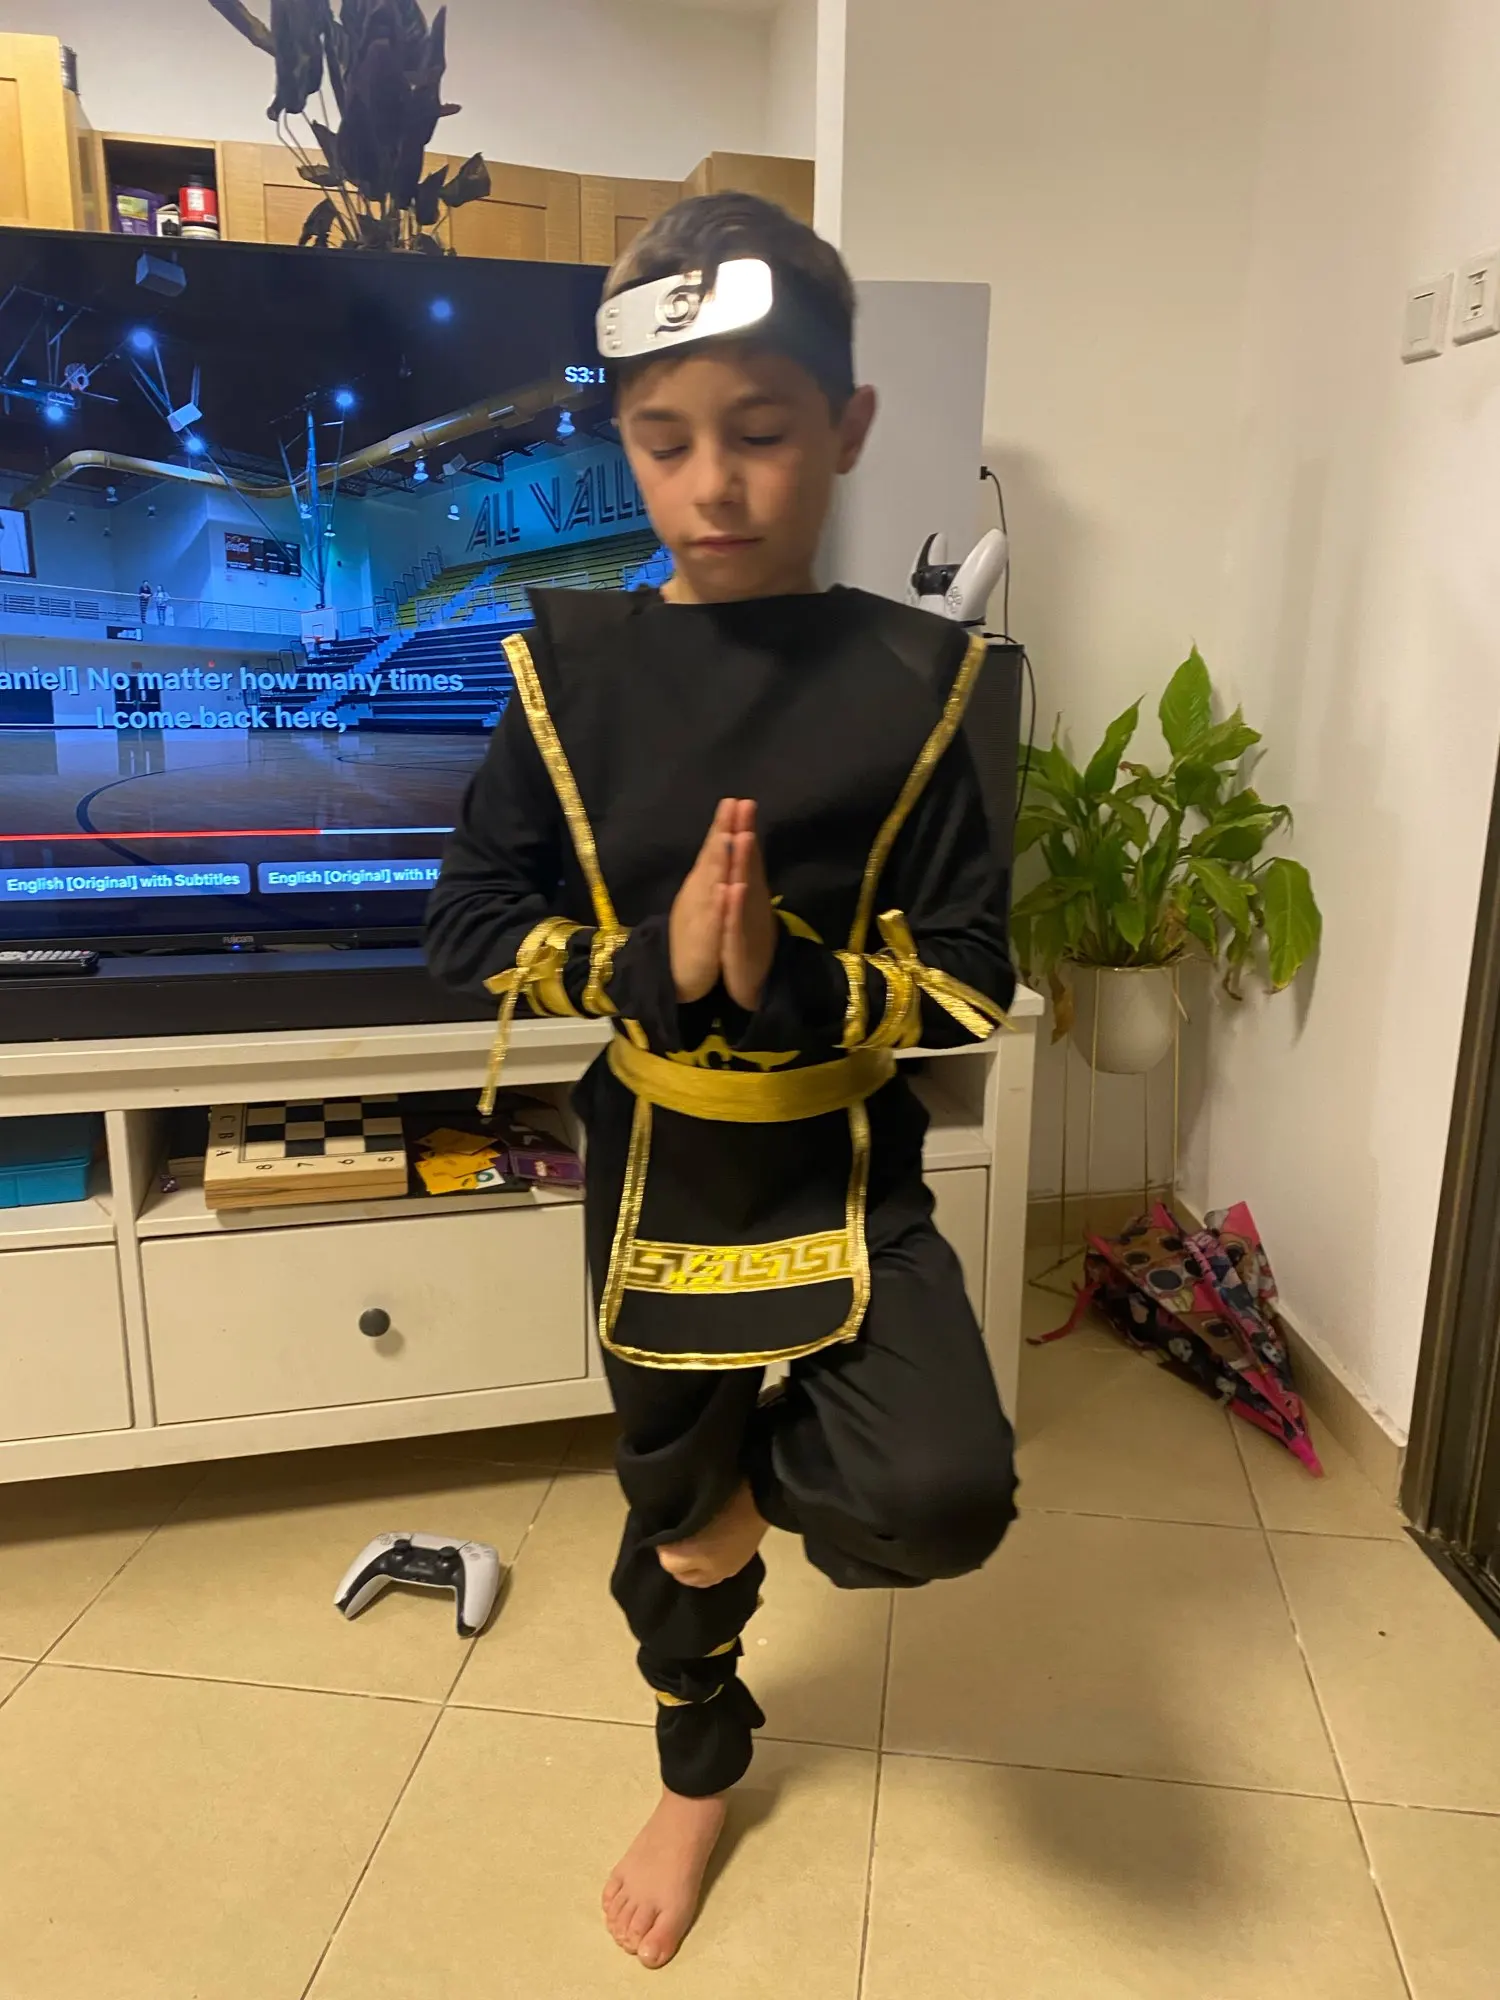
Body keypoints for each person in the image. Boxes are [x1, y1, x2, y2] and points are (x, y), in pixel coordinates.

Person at [425, 192, 1018, 1971]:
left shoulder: (923, 684)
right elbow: (470, 925)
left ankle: (724, 1505)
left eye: (761, 434)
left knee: (941, 1495)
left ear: (848, 427)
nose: (713, 487)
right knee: (665, 1511)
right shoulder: (563, 672)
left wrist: (793, 979)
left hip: (847, 1162)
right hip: (656, 1171)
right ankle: (699, 1768)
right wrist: (654, 971)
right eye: (664, 440)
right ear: (622, 440)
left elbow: (969, 978)